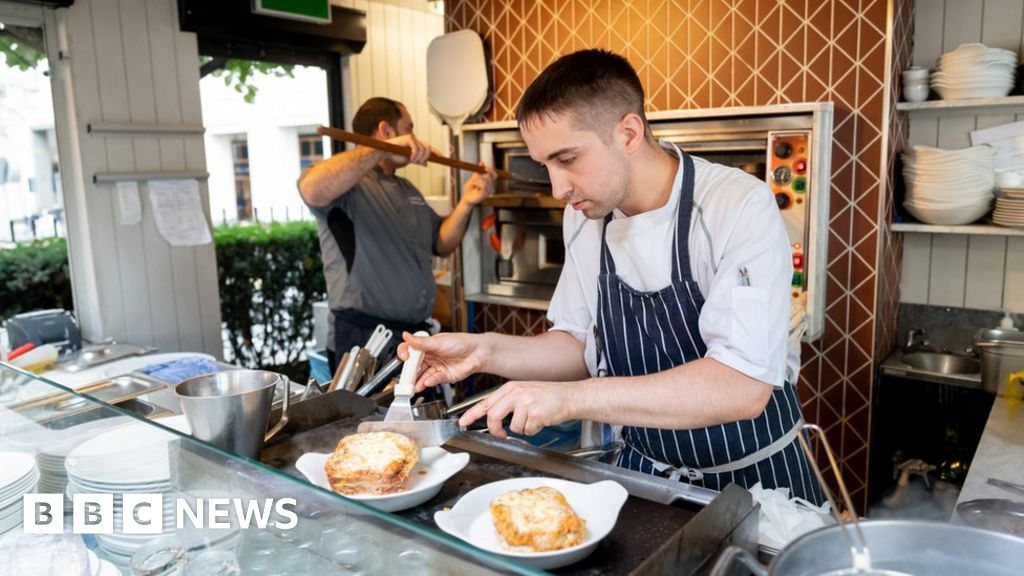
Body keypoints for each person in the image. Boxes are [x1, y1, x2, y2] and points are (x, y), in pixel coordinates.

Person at [399, 50, 824, 503]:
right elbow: (577, 345)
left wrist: (569, 399)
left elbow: (741, 386)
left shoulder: (737, 207)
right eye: (546, 166)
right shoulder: (586, 217)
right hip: (646, 480)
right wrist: (480, 351)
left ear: (628, 132)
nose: (559, 188)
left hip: (756, 484)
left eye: (568, 159)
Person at [298, 97, 495, 372]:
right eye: (409, 129)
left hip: (410, 337)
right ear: (386, 131)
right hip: (363, 339)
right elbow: (311, 188)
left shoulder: (408, 190)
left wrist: (467, 202)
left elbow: (441, 243)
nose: (414, 138)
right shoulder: (349, 188)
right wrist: (377, 150)